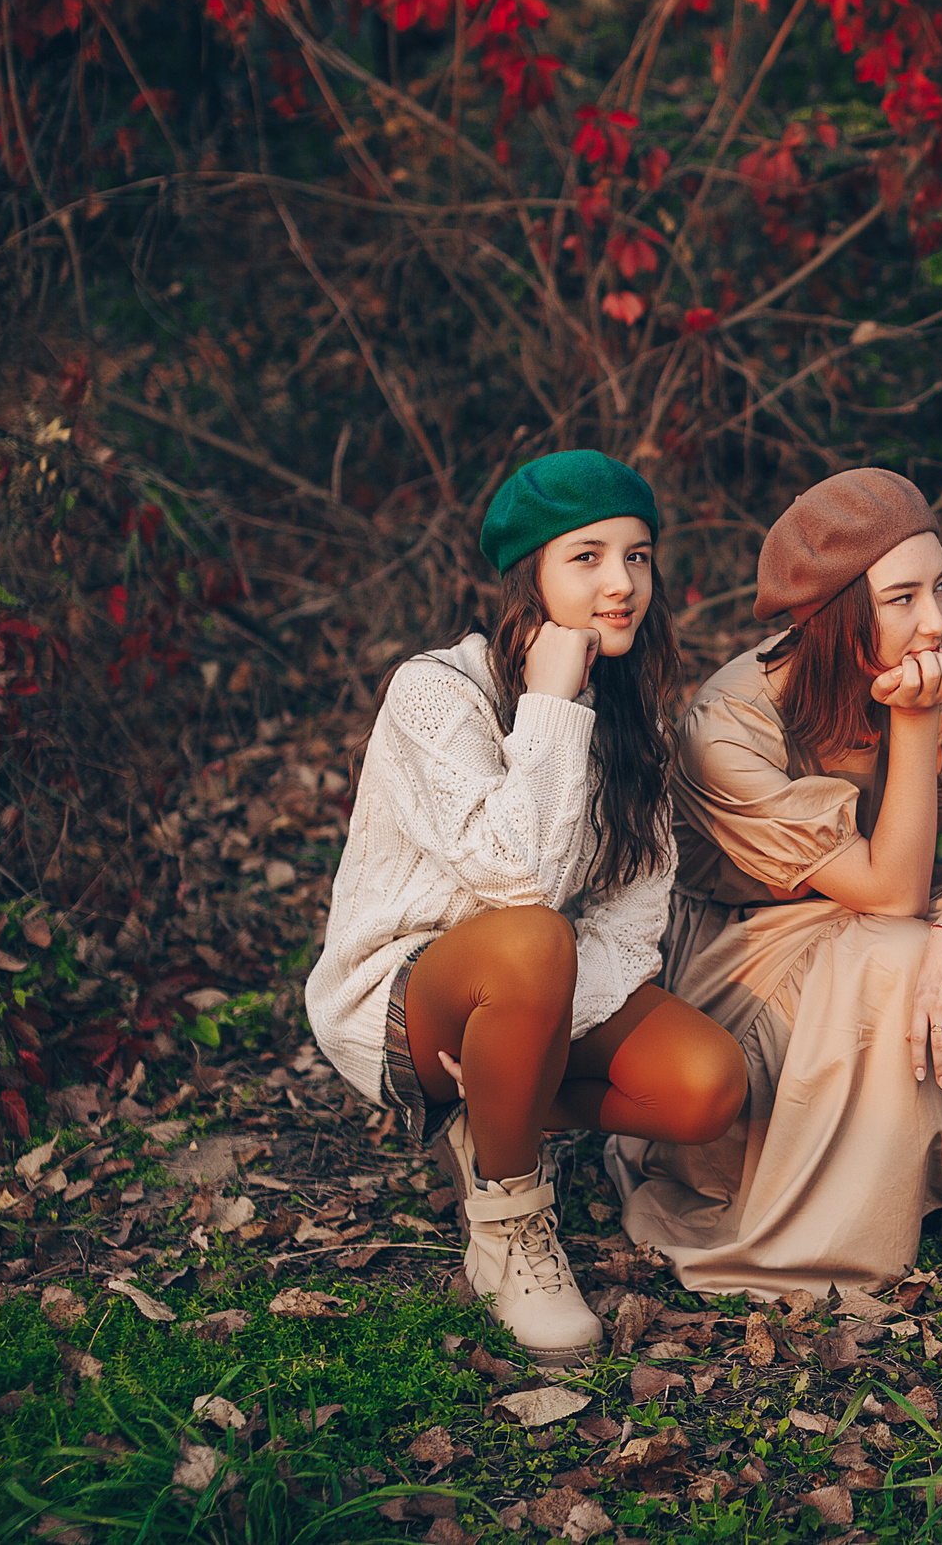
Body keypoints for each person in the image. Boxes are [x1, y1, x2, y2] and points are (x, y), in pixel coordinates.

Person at [607, 468, 942, 1298]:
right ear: (838, 612)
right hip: (742, 962)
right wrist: (914, 726)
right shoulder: (728, 724)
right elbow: (893, 894)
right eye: (903, 598)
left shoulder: (919, 669)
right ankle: (842, 1205)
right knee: (898, 943)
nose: (937, 619)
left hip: (876, 917)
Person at [305, 451, 748, 1368]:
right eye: (586, 558)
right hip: (402, 998)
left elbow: (631, 915)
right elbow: (519, 880)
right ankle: (510, 1225)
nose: (621, 584)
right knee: (535, 935)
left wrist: (535, 1040)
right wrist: (549, 702)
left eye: (639, 556)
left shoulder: (635, 724)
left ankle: (498, 1109)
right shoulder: (436, 692)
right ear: (530, 575)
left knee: (709, 1082)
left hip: (529, 983)